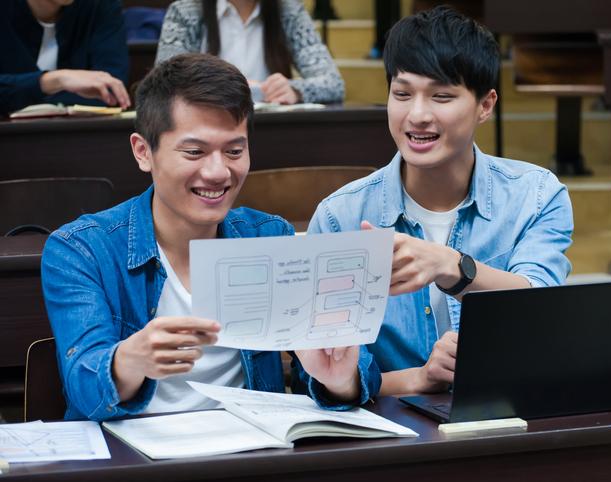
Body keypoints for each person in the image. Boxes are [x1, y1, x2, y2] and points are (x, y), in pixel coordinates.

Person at [41, 53, 378, 421]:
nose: (218, 172)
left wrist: (338, 379)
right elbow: (83, 387)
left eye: (235, 151)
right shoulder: (81, 249)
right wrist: (130, 361)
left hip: (250, 454)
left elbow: (349, 378)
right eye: (194, 152)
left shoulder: (269, 237)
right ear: (143, 152)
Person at [307, 7, 574, 396]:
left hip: (510, 421)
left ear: (486, 105)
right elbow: (324, 378)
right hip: (393, 439)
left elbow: (543, 307)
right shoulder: (339, 216)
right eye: (402, 94)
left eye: (442, 96)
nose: (417, 115)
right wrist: (420, 378)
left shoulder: (535, 196)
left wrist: (451, 266)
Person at [155, 0, 344, 105]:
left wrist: (295, 90)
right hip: (205, 125)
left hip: (271, 129)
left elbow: (333, 83)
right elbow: (163, 84)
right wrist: (227, 85)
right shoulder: (185, 10)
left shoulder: (289, 10)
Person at [0, 0, 130, 115]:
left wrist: (18, 92)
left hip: (77, 134)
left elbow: (110, 89)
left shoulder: (101, 5)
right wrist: (53, 81)